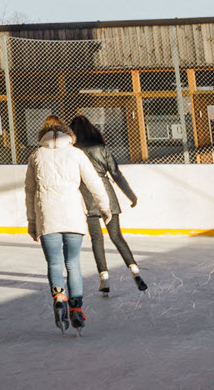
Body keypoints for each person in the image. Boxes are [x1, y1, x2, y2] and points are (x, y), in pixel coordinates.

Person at [25, 115, 110, 333]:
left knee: (54, 264)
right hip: (73, 216)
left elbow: (30, 192)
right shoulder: (76, 153)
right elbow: (94, 182)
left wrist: (32, 223)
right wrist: (105, 209)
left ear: (42, 137)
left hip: (47, 216)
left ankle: (59, 297)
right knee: (73, 263)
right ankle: (77, 309)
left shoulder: (36, 155)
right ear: (67, 135)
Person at [69, 115, 148, 295]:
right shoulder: (101, 148)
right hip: (107, 195)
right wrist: (131, 195)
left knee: (97, 239)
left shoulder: (73, 151)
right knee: (117, 236)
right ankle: (134, 269)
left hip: (87, 196)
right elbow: (115, 173)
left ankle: (104, 278)